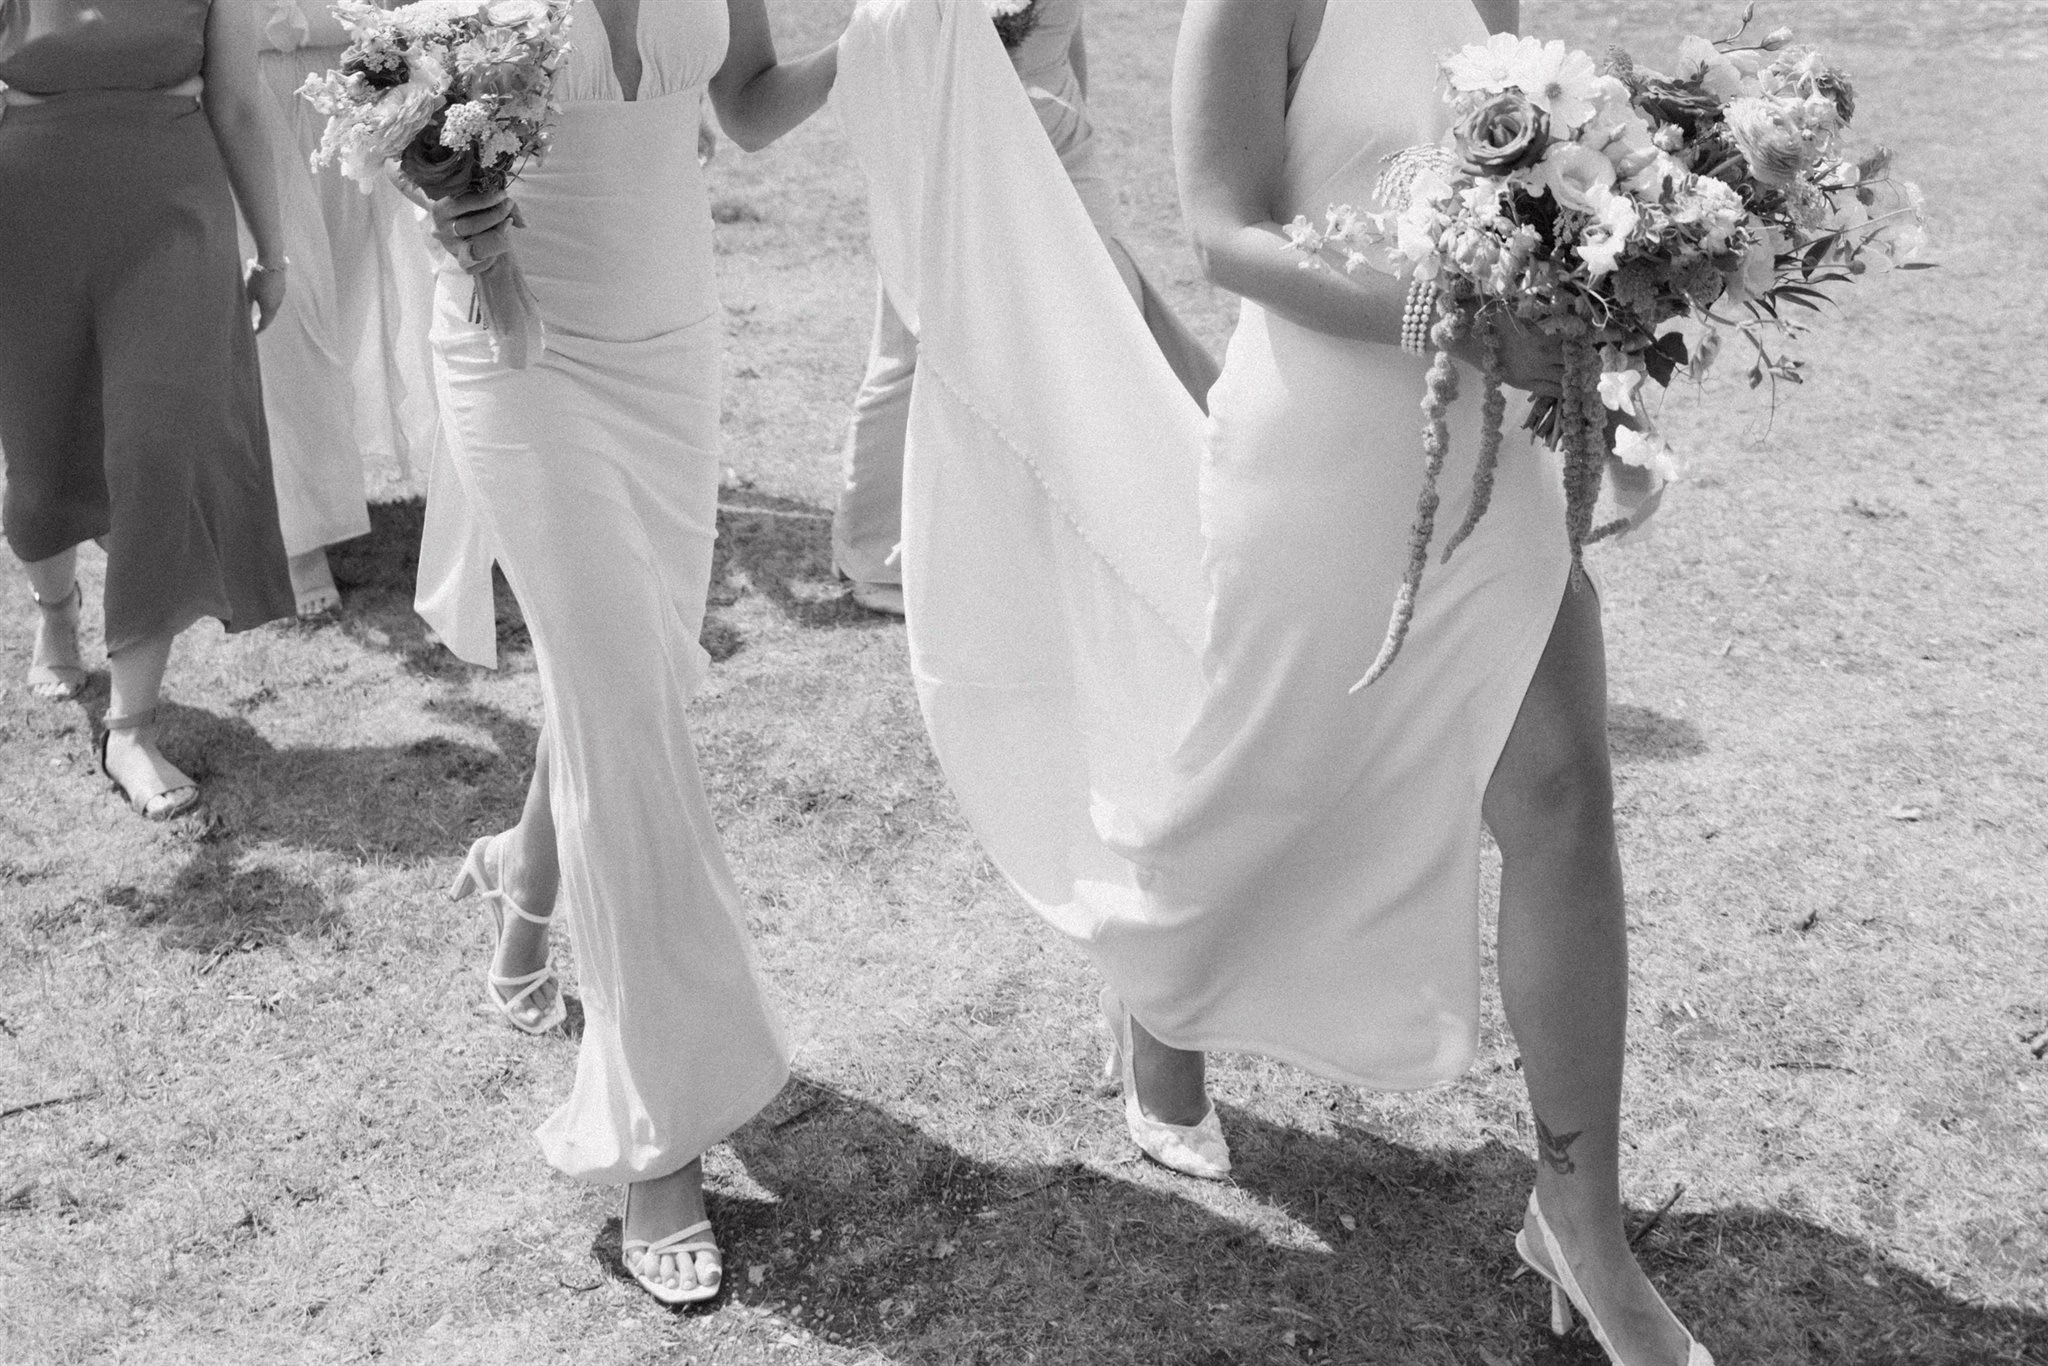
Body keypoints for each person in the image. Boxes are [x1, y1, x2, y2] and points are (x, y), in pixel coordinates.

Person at [832, 1, 1707, 1363]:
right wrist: (1450, 319)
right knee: (1268, 791)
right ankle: (1156, 981)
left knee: (1562, 797)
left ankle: (1578, 1221)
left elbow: (1535, 204)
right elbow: (1225, 232)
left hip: (1495, 450)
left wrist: (1598, 335)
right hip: (1320, 461)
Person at [420, 0, 838, 1308]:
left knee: (624, 681)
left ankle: (523, 875)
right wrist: (442, 194)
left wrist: (889, 33)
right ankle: (657, 1140)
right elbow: (397, 120)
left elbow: (747, 105)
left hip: (672, 345)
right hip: (520, 346)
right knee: (625, 711)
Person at [1, 0, 294, 818]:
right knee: (40, 460)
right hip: (27, 209)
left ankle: (130, 727)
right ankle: (56, 612)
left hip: (173, 210)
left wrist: (273, 253)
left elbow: (237, 103)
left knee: (161, 447)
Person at [828, 0, 1216, 617]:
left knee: (1104, 312)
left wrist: (1071, 111)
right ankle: (879, 548)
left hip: (1057, 133)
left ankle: (1136, 510)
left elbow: (1067, 30)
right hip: (950, 130)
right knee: (923, 334)